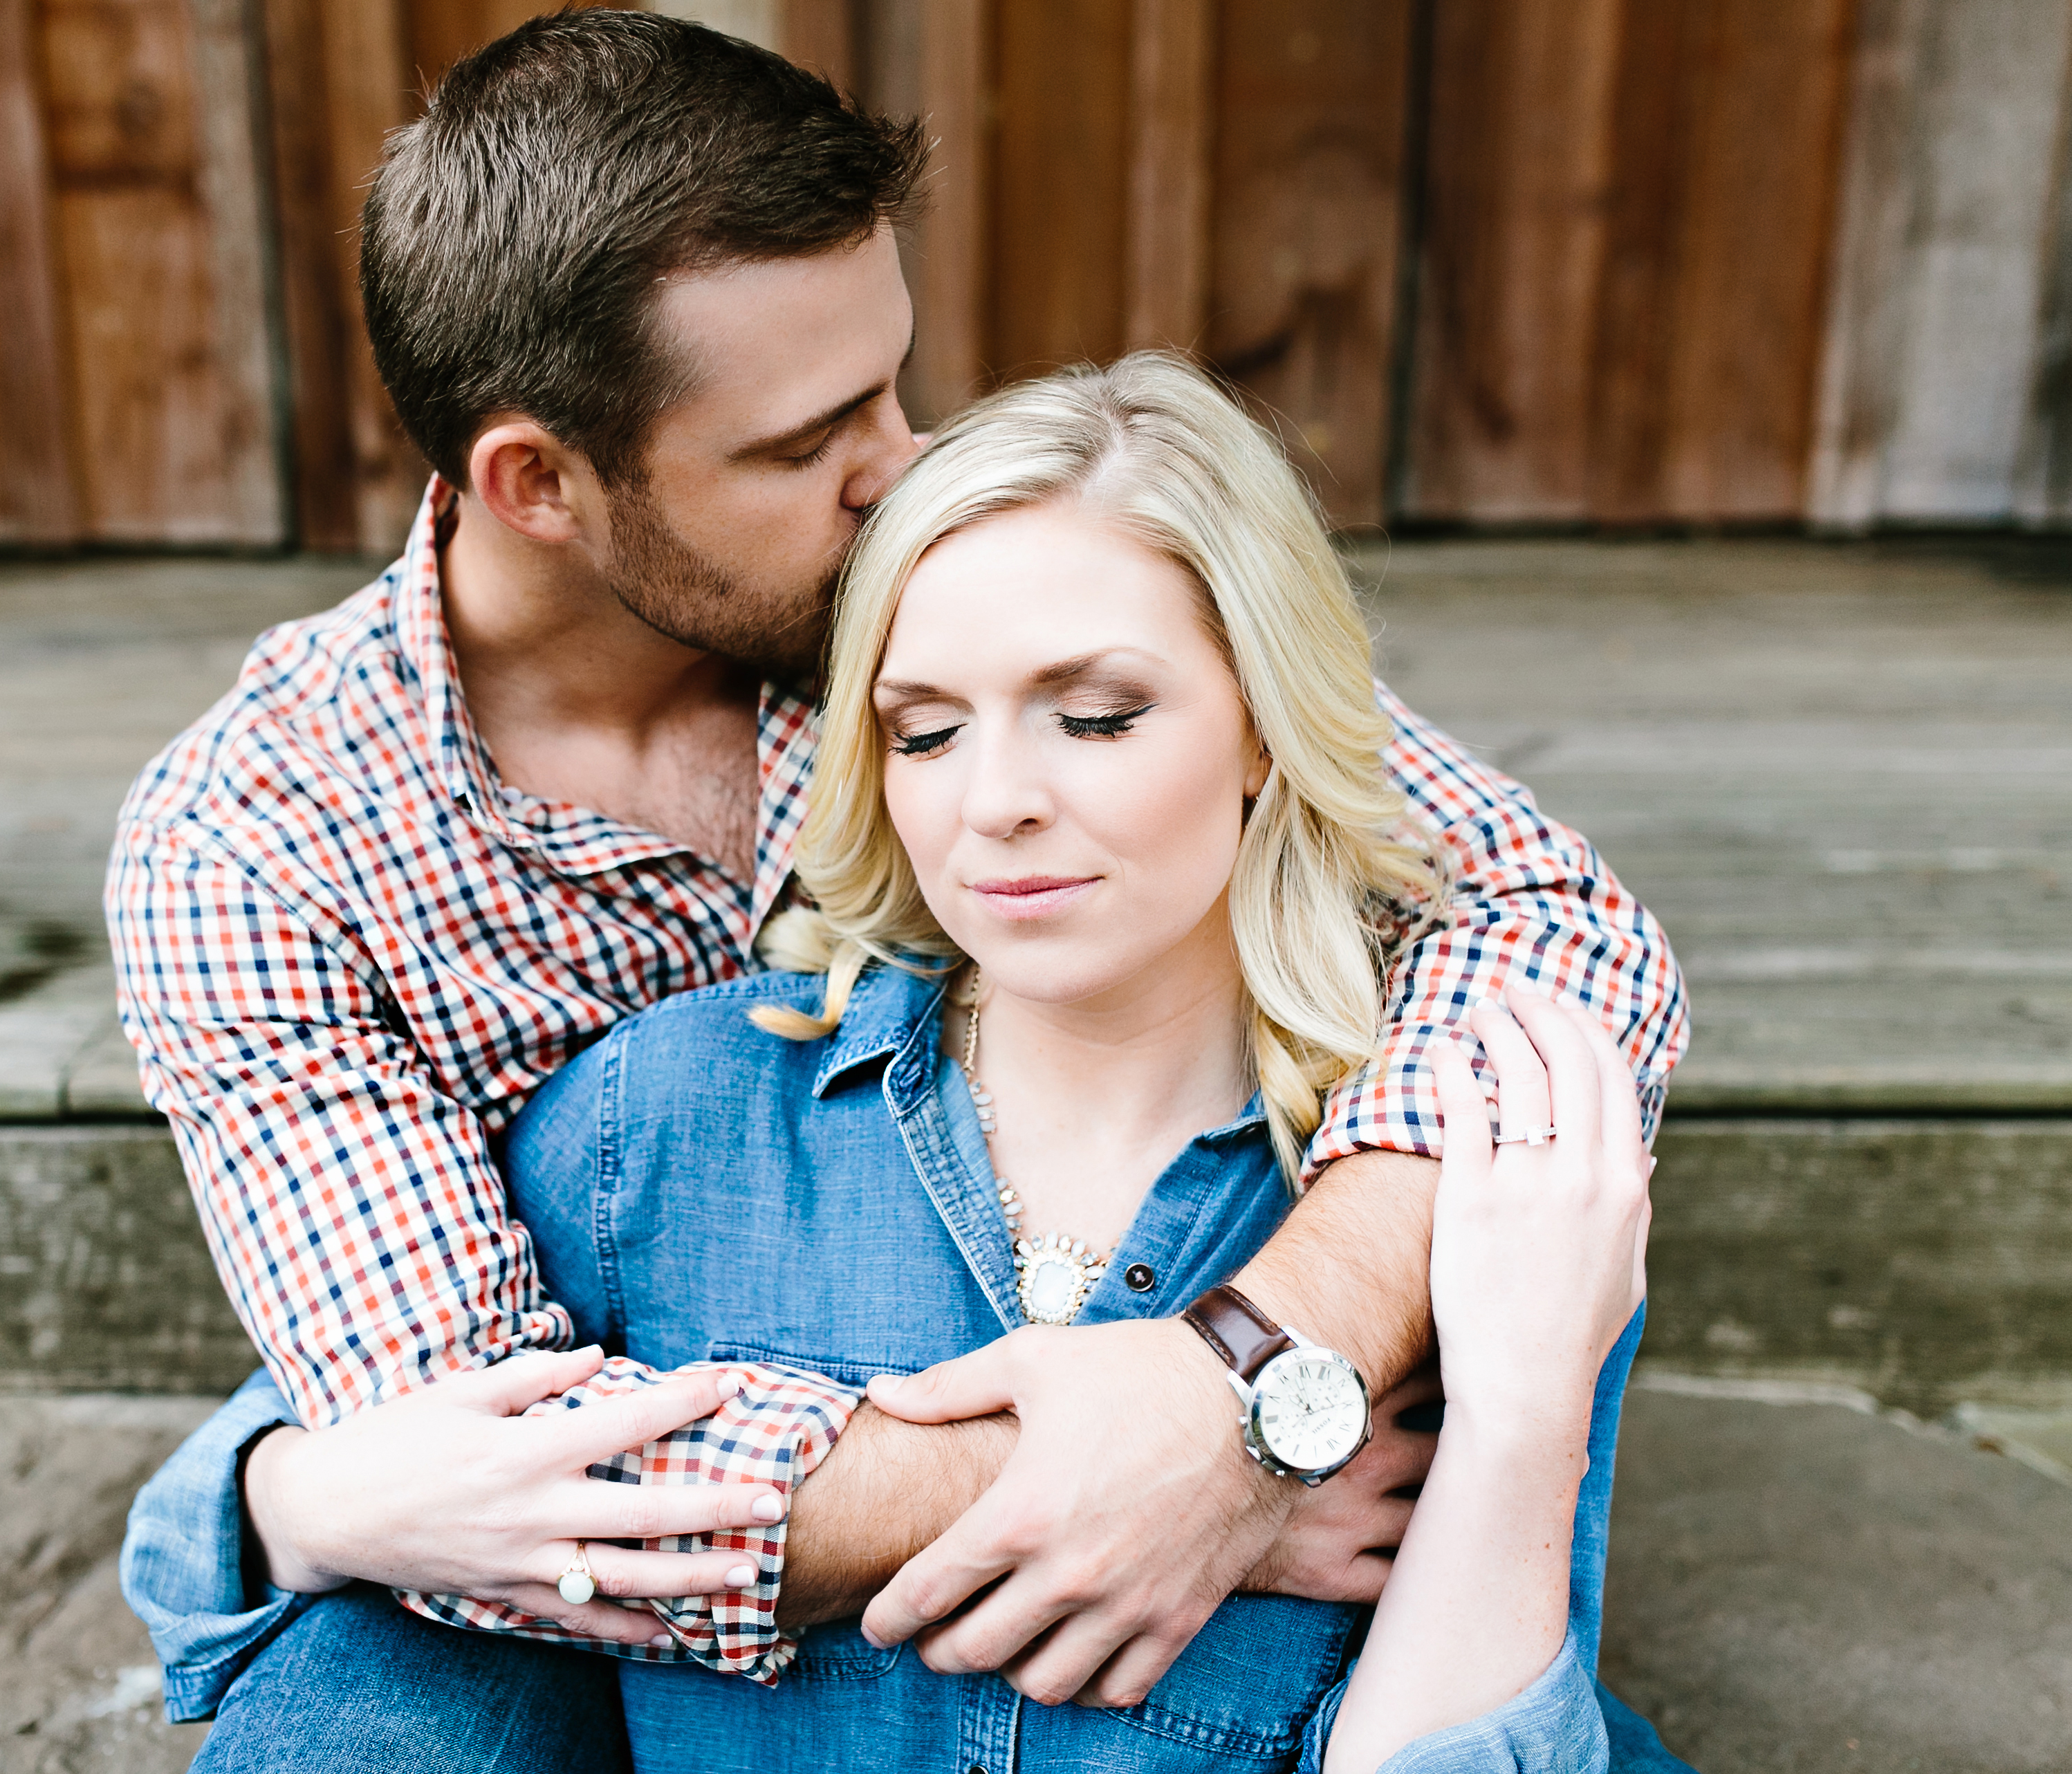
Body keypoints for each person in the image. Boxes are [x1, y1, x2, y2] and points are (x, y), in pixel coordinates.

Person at [106, 11, 1689, 1768]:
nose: (902, 460)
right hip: (567, 1571)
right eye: (806, 441)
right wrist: (1117, 1469)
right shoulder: (257, 836)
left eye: (892, 379)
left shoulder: (948, 574)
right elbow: (491, 1464)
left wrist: (1256, 1363)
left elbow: (1558, 926)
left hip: (1061, 1319)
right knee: (345, 1696)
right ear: (535, 482)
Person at [492, 351, 1654, 1772]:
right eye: (923, 729)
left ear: (1262, 727)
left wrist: (1523, 1425)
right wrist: (278, 1490)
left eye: (1096, 715)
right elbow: (389, 1481)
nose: (995, 804)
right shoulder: (649, 1128)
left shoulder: (1468, 1183)